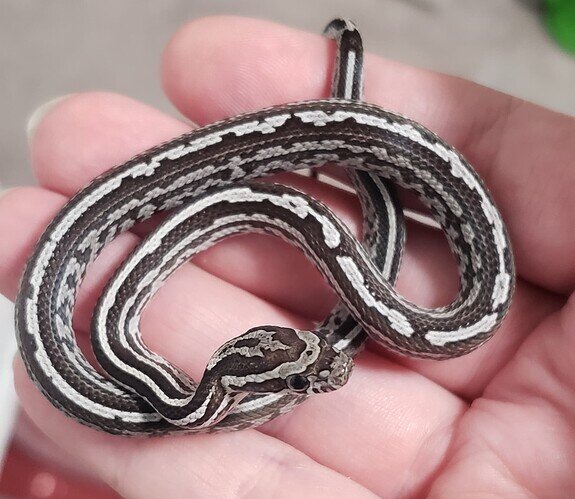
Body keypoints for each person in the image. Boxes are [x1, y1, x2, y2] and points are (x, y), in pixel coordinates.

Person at [1, 16, 574, 498]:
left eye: (304, 370)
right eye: (303, 380)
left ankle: (349, 93)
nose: (328, 371)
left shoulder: (152, 358)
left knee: (312, 212)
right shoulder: (177, 385)